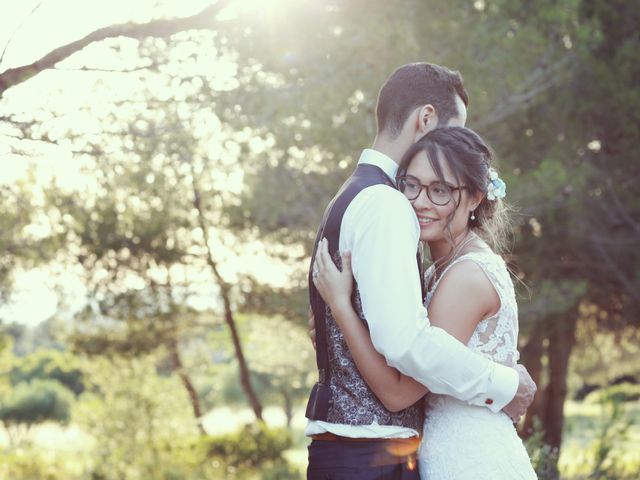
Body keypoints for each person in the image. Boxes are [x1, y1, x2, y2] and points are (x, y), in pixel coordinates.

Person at [304, 62, 536, 480]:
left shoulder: (353, 193)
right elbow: (406, 342)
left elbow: (402, 359)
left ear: (473, 199)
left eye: (440, 189)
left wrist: (341, 314)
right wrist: (505, 384)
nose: (421, 200)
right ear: (425, 118)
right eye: (415, 185)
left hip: (461, 457)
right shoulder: (388, 203)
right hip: (376, 453)